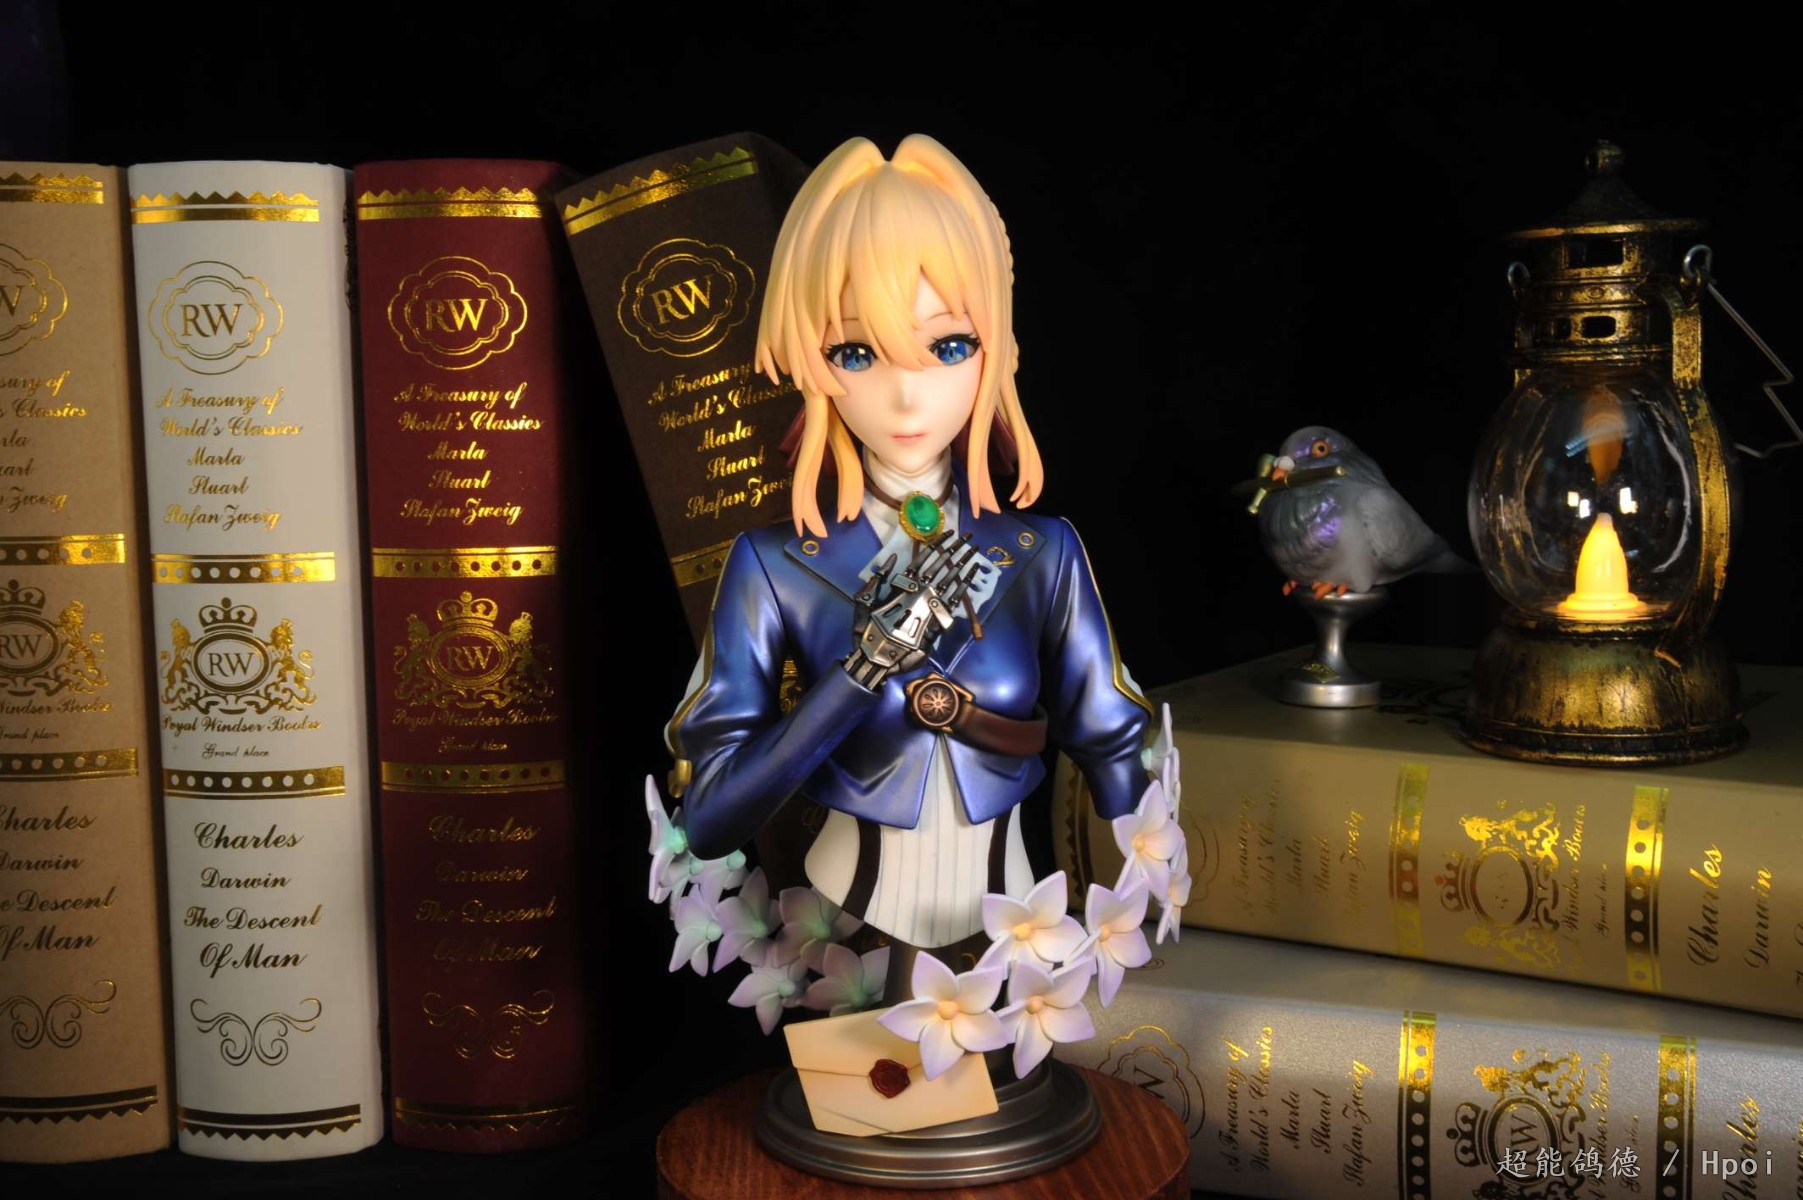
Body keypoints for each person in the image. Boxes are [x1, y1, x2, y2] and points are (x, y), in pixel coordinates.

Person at [664, 134, 1154, 953]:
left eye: (948, 346)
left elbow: (1112, 745)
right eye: (855, 352)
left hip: (1018, 928)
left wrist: (1145, 889)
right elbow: (711, 818)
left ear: (995, 348)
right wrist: (861, 673)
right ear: (811, 362)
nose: (905, 394)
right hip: (846, 924)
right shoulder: (772, 565)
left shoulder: (1044, 551)